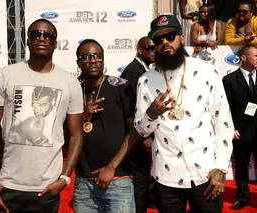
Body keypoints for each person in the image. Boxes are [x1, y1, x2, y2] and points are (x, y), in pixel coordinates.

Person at [134, 15, 234, 212]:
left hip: (206, 175)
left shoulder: (207, 71)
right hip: (166, 178)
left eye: (170, 36)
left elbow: (223, 122)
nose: (165, 43)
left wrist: (221, 168)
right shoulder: (145, 81)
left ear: (181, 37)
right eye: (158, 40)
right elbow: (141, 130)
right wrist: (151, 114)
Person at [0, 18, 83, 213]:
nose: (41, 38)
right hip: (7, 184)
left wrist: (64, 178)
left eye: (48, 35)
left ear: (56, 43)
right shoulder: (6, 75)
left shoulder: (70, 82)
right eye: (35, 34)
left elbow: (77, 134)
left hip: (46, 188)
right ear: (27, 41)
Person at [73, 39, 136, 213]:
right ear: (78, 62)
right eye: (86, 57)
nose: (93, 60)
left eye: (97, 56)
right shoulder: (74, 91)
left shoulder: (120, 87)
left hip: (118, 179)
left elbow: (135, 133)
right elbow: (65, 136)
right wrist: (84, 116)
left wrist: (111, 168)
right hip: (84, 183)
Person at [120, 36, 156, 212]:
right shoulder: (132, 73)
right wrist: (144, 138)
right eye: (150, 48)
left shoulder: (145, 69)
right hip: (138, 137)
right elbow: (129, 111)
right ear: (140, 50)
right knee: (140, 179)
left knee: (144, 177)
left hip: (144, 133)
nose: (154, 51)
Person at [222, 44, 257, 210]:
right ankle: (243, 197)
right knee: (241, 167)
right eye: (255, 56)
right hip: (241, 131)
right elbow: (225, 107)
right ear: (243, 57)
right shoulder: (229, 80)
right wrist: (231, 128)